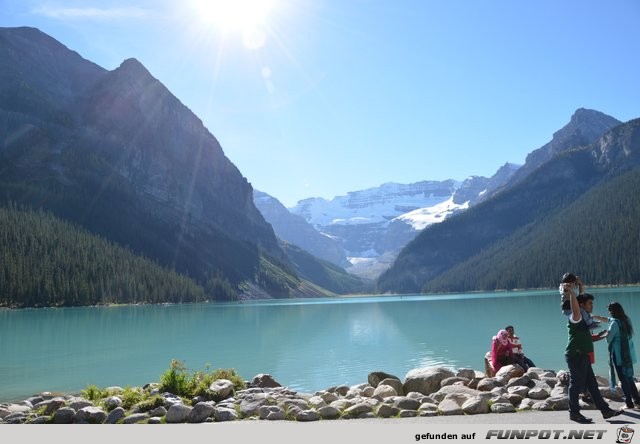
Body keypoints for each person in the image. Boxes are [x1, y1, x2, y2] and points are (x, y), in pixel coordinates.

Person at [564, 288, 622, 423]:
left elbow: (588, 339)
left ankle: (606, 411)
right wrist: (572, 293)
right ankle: (574, 413)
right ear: (581, 305)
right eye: (589, 303)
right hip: (576, 355)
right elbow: (576, 307)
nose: (592, 305)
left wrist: (601, 336)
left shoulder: (585, 320)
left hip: (583, 355)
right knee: (576, 384)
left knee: (593, 385)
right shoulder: (576, 318)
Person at [606, 302, 640, 409]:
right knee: (629, 378)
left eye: (609, 311)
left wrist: (606, 333)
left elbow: (609, 338)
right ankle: (637, 401)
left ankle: (629, 403)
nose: (609, 313)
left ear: (612, 311)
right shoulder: (626, 320)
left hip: (618, 355)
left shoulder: (615, 323)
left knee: (623, 379)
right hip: (627, 354)